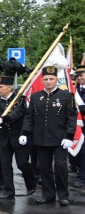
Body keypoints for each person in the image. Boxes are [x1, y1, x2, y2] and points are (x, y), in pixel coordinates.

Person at [21, 66, 78, 206]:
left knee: (60, 167)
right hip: (41, 139)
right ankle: (48, 195)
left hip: (60, 138)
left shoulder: (66, 96)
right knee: (44, 168)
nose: (48, 82)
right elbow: (29, 117)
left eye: (51, 79)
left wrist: (69, 136)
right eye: (46, 79)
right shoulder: (35, 97)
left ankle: (63, 195)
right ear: (42, 80)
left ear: (56, 80)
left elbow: (71, 118)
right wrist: (25, 132)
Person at [0, 76, 36, 199]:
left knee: (22, 163)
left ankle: (31, 184)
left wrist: (3, 119)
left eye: (1, 87)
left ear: (9, 88)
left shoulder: (19, 99)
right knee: (5, 165)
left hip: (18, 136)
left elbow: (18, 113)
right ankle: (8, 190)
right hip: (3, 137)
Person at [73, 65, 85, 189]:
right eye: (78, 76)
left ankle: (82, 177)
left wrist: (80, 108)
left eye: (81, 75)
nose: (79, 78)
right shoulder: (75, 89)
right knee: (78, 151)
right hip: (78, 125)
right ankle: (80, 173)